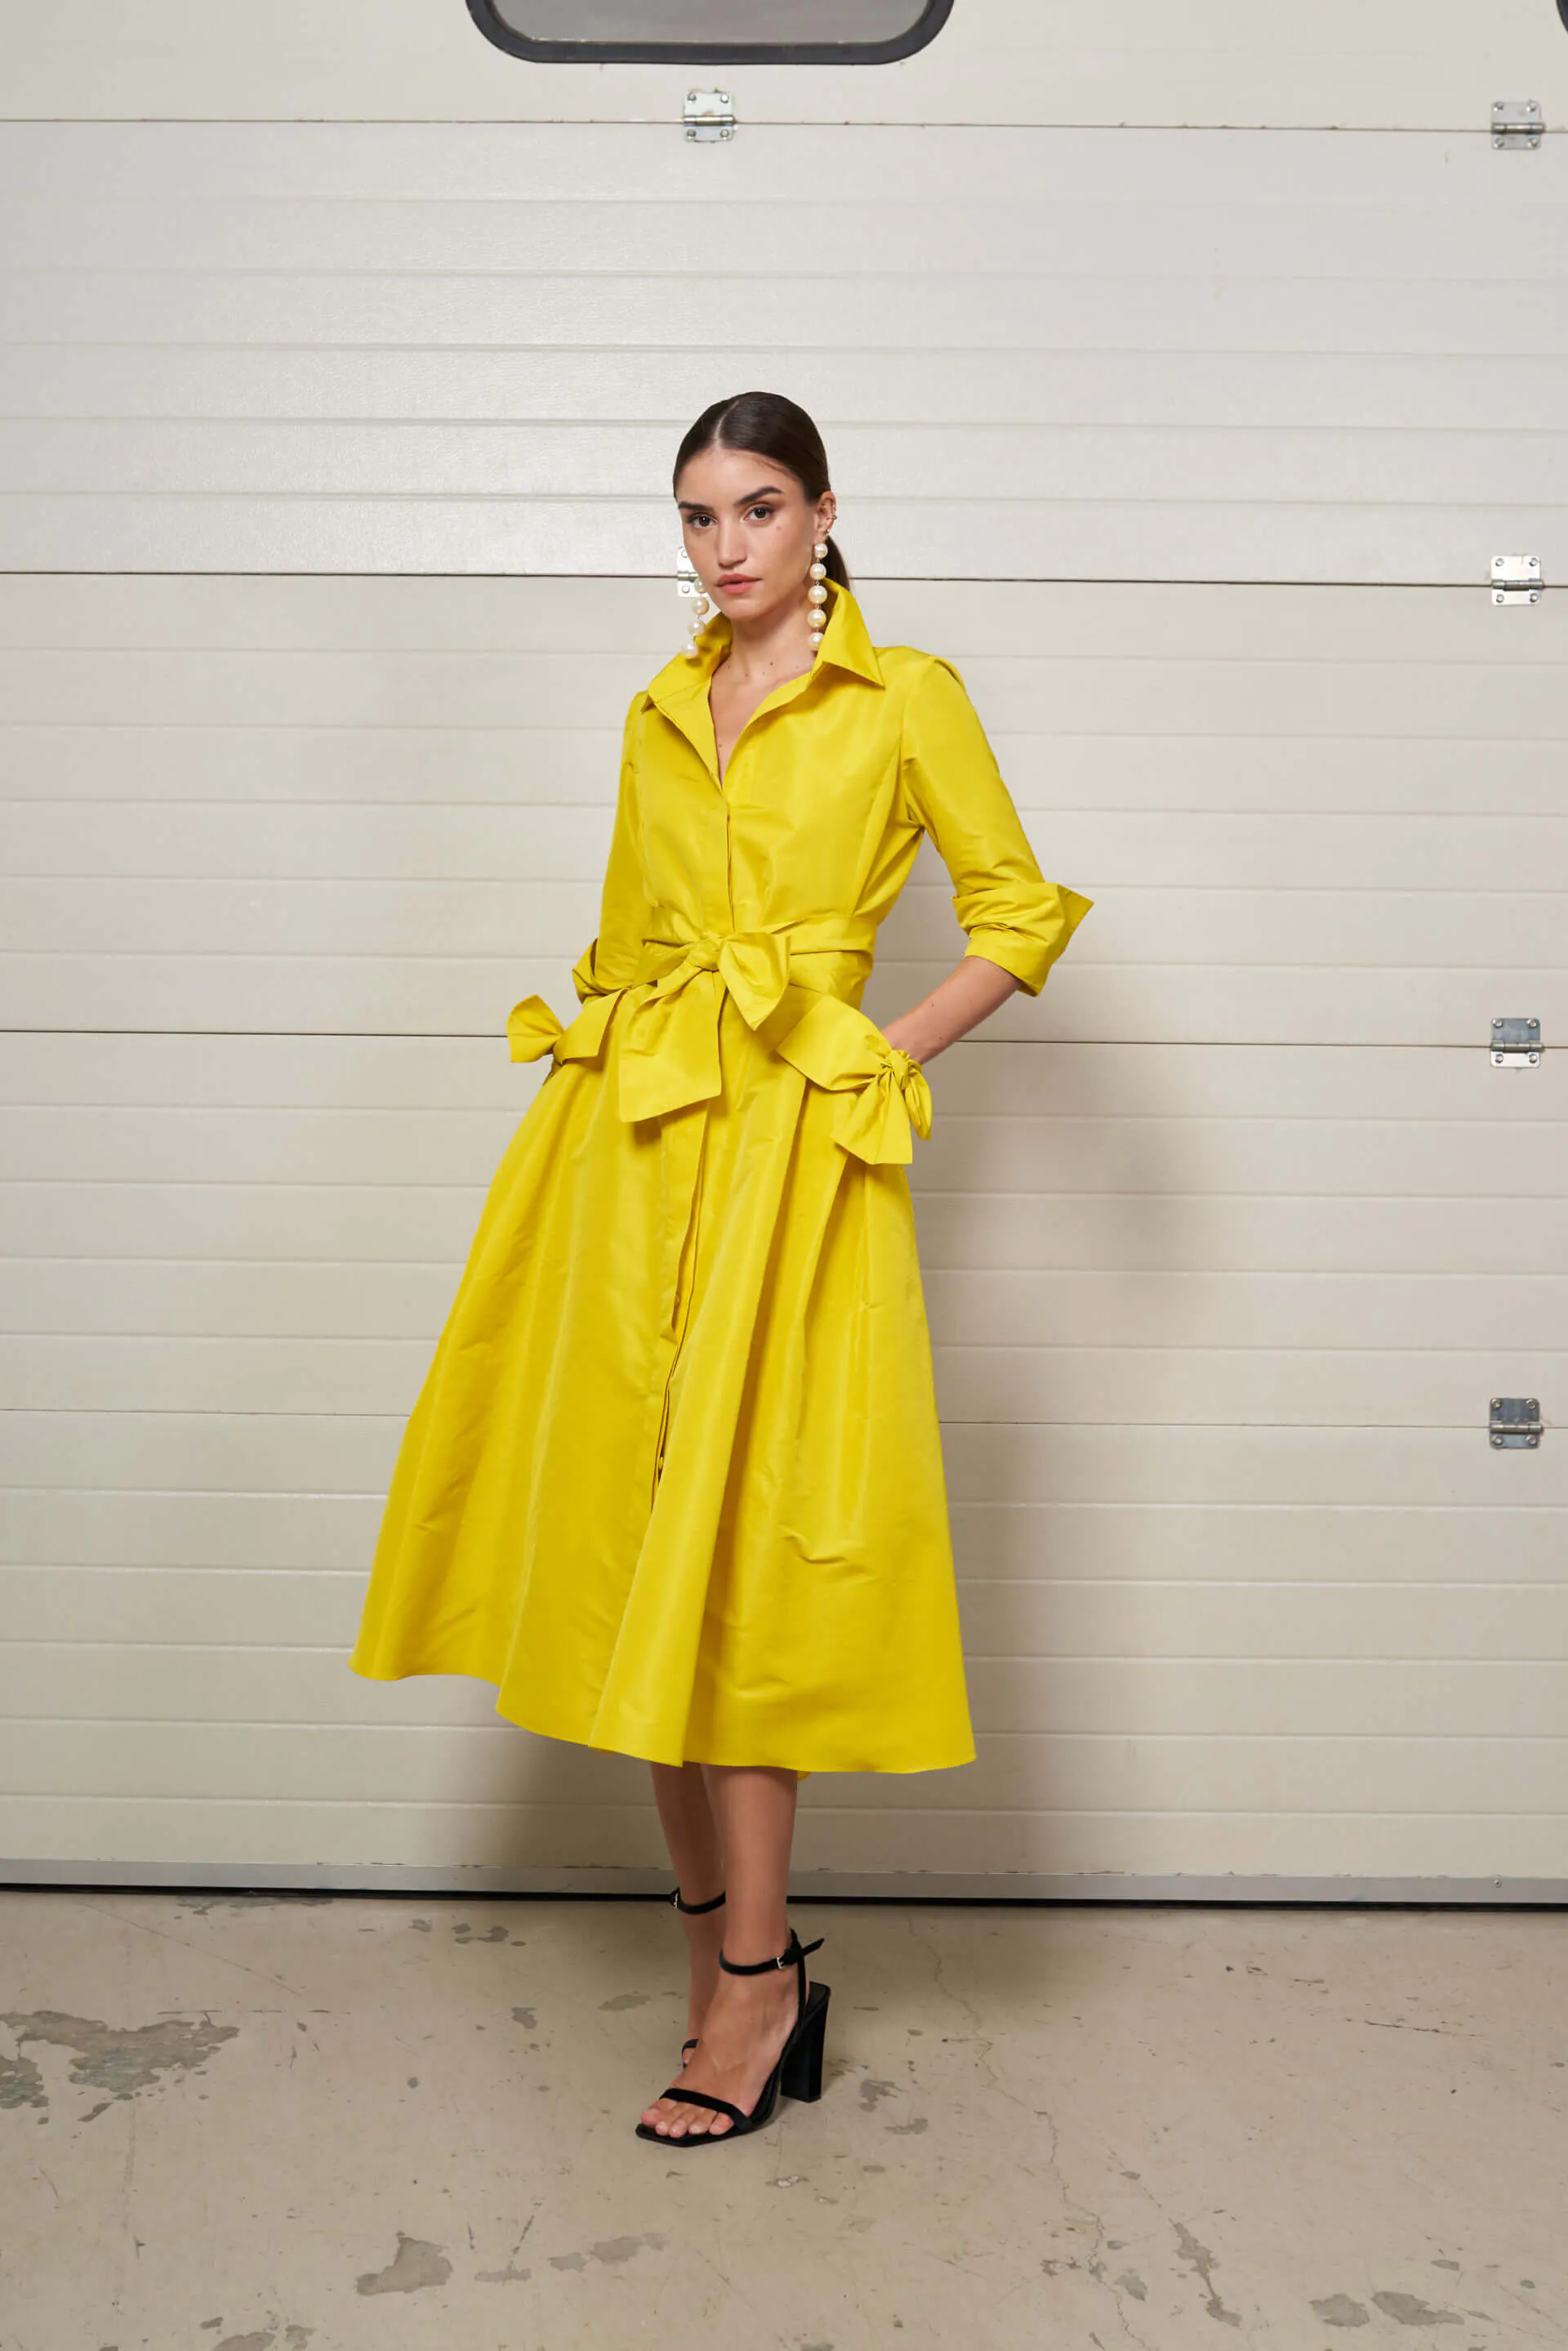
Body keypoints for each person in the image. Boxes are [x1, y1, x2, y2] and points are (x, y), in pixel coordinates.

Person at [347, 390, 1093, 2147]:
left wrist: (871, 1058)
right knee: (633, 1552)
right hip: (631, 1147)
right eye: (697, 514)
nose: (726, 544)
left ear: (823, 513)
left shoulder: (904, 696)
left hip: (793, 1161)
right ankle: (721, 1963)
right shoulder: (659, 705)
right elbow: (623, 941)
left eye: (759, 507)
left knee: (742, 1563)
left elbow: (1019, 910)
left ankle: (757, 1980)